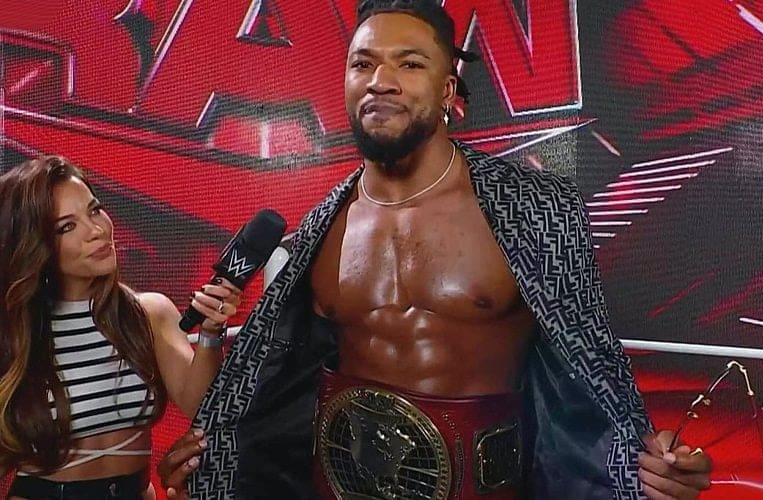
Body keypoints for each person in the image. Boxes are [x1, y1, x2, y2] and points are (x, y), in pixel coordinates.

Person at [158, 1, 713, 499]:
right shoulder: (317, 233)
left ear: (448, 90)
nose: (381, 81)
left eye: (409, 64)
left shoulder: (534, 210)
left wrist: (647, 466)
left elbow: (592, 368)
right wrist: (215, 456)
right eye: (362, 64)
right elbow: (278, 391)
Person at [0, 156, 241, 499]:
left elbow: (201, 406)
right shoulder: (17, 332)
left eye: (95, 210)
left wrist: (211, 331)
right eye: (67, 227)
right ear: (36, 243)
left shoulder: (147, 313)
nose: (97, 230)